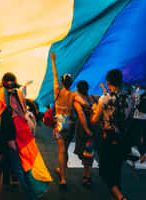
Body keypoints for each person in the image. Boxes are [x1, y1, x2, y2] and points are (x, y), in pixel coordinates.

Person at [91, 69, 133, 200]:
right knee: (116, 170)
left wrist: (93, 111)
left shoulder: (105, 98)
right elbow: (129, 118)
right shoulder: (130, 99)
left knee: (104, 171)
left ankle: (120, 197)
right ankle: (115, 196)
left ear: (108, 82)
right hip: (122, 138)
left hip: (107, 138)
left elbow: (95, 120)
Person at [50, 52, 87, 187]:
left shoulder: (57, 91)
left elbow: (54, 75)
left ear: (61, 82)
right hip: (70, 123)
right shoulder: (73, 94)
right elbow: (84, 103)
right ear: (71, 83)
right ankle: (62, 170)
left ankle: (63, 178)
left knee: (61, 151)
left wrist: (53, 61)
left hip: (59, 122)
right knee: (65, 150)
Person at [74, 80, 97, 189]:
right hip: (92, 125)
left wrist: (87, 129)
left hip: (83, 128)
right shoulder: (93, 98)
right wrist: (103, 89)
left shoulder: (78, 100)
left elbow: (81, 114)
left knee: (85, 151)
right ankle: (87, 173)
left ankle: (87, 176)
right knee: (89, 151)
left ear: (78, 89)